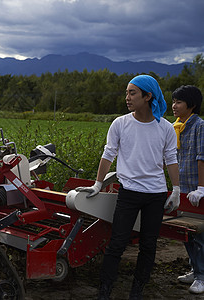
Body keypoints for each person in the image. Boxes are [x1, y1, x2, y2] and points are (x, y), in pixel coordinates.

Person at [76, 75, 180, 300]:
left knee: (148, 245)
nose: (127, 98)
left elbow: (171, 159)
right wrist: (97, 184)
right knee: (116, 244)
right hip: (129, 193)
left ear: (148, 96)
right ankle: (104, 291)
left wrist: (177, 190)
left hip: (156, 194)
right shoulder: (120, 123)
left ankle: (137, 291)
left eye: (132, 93)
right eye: (126, 93)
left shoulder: (165, 128)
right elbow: (108, 154)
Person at [171, 85, 204, 294]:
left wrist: (201, 187)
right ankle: (195, 269)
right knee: (186, 233)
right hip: (183, 189)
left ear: (191, 105)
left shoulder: (200, 126)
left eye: (178, 102)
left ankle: (202, 276)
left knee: (200, 235)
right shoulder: (177, 127)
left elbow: (202, 158)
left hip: (197, 190)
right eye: (173, 101)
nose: (174, 106)